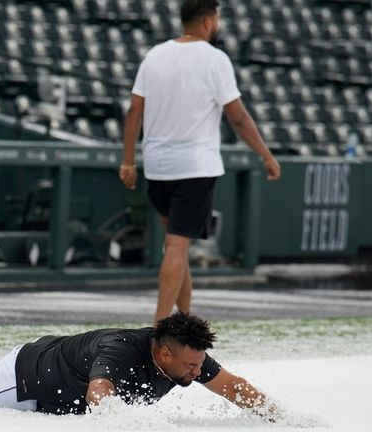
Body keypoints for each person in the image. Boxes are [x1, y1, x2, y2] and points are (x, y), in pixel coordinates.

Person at [119, 0, 282, 325]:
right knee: (177, 246)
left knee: (176, 247)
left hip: (157, 167)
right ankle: (160, 327)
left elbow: (135, 109)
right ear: (208, 22)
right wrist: (265, 154)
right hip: (194, 167)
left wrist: (127, 161)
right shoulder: (215, 59)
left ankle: (186, 321)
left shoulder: (155, 55)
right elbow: (237, 116)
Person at [0, 312, 280, 419]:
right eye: (188, 365)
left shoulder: (186, 358)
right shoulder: (124, 350)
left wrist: (277, 413)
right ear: (163, 352)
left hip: (41, 356)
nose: (195, 372)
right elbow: (99, 393)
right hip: (31, 378)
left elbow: (230, 384)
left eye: (198, 364)